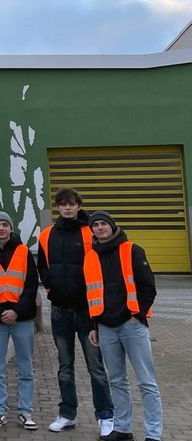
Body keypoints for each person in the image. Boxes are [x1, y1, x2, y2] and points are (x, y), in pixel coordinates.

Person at [37, 187, 114, 435]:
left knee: (96, 367)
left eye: (72, 204)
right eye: (63, 204)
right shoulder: (47, 235)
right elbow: (42, 267)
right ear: (57, 207)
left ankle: (105, 415)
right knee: (64, 366)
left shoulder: (90, 231)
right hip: (60, 310)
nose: (68, 208)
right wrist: (51, 286)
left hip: (88, 312)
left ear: (79, 205)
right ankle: (67, 414)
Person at [85, 211, 162, 441]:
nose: (99, 228)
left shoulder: (132, 250)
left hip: (132, 325)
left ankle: (153, 434)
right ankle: (122, 429)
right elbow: (90, 293)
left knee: (146, 382)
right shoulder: (91, 256)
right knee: (116, 380)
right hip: (106, 327)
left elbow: (148, 286)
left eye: (103, 224)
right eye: (95, 225)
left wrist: (137, 315)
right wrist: (94, 325)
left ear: (112, 226)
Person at [0, 211, 39, 430]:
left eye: (5, 224)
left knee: (26, 368)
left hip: (21, 319)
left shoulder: (23, 251)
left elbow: (32, 285)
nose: (1, 228)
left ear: (11, 228)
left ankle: (25, 411)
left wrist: (16, 311)